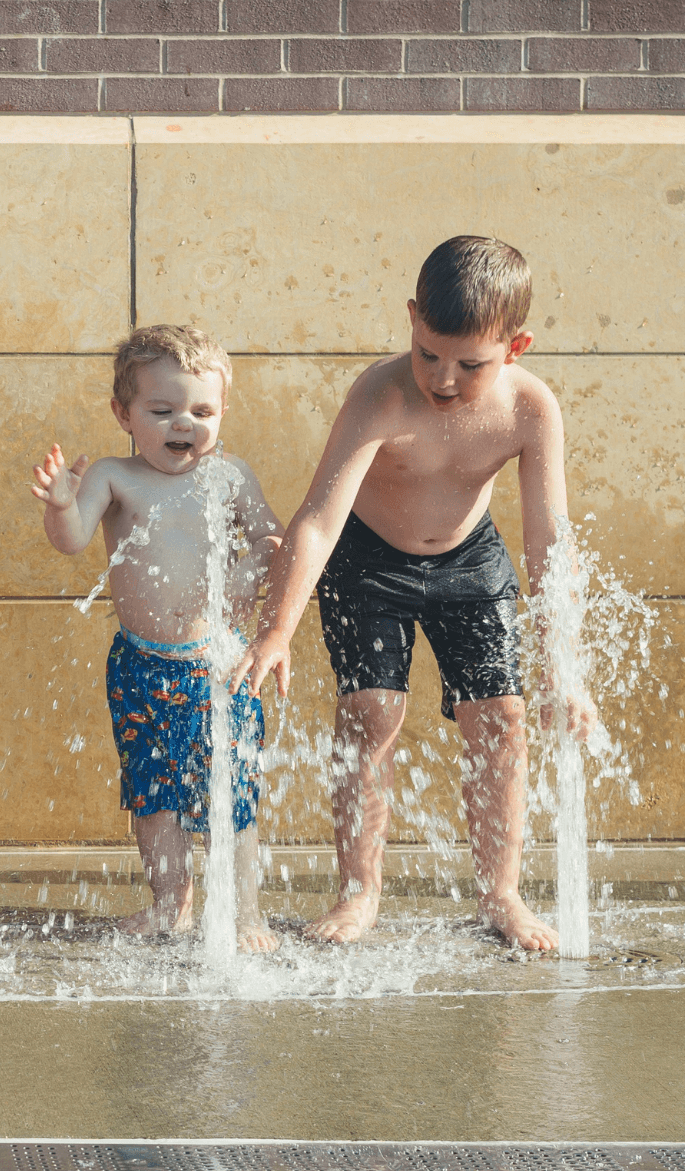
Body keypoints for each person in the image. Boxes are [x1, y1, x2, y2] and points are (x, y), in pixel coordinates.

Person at [230, 236, 599, 951]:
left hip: (471, 561)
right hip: (369, 561)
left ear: (516, 348)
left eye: (471, 364)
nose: (444, 378)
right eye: (429, 353)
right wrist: (277, 629)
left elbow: (550, 540)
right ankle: (360, 891)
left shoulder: (531, 408)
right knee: (371, 711)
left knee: (503, 718)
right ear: (410, 319)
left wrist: (565, 665)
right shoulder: (381, 394)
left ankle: (502, 894)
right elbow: (317, 520)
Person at [32, 325, 282, 952]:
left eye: (203, 412)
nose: (184, 424)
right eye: (163, 410)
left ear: (222, 411)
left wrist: (253, 568)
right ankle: (172, 903)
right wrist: (61, 506)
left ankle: (245, 913)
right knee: (153, 799)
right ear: (124, 414)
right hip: (141, 666)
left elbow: (271, 538)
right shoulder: (115, 476)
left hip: (220, 665)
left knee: (232, 793)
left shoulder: (230, 476)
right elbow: (72, 540)